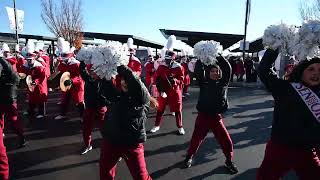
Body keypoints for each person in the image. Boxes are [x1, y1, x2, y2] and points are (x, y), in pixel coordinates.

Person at [256, 48, 320, 179]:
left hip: (307, 151)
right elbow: (264, 71)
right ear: (301, 71)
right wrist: (275, 46)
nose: (316, 73)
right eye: (311, 69)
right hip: (280, 149)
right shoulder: (285, 88)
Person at [184, 56, 238, 174]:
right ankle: (189, 157)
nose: (215, 72)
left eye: (217, 71)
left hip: (216, 118)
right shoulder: (204, 83)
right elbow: (198, 70)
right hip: (203, 117)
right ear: (208, 73)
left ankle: (229, 161)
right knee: (196, 139)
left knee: (226, 141)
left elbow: (227, 68)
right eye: (213, 71)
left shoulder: (224, 83)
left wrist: (219, 56)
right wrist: (201, 56)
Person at [99, 65, 154, 180]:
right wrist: (106, 69)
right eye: (123, 80)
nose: (124, 83)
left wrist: (119, 65)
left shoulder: (142, 98)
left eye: (127, 81)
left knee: (141, 177)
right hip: (111, 141)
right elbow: (105, 86)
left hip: (132, 144)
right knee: (105, 174)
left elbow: (135, 83)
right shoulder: (118, 95)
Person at [149, 50, 185, 135]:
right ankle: (156, 125)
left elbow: (181, 79)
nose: (167, 60)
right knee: (160, 108)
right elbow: (157, 77)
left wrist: (175, 81)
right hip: (164, 91)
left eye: (169, 58)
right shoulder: (161, 66)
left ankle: (180, 126)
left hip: (175, 91)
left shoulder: (178, 66)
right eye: (166, 58)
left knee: (178, 109)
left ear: (173, 59)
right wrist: (159, 88)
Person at [79, 61, 107, 155]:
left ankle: (112, 149)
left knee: (105, 129)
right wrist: (83, 59)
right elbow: (82, 70)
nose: (91, 72)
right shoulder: (88, 78)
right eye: (90, 71)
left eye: (94, 71)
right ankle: (87, 145)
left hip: (101, 108)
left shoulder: (104, 80)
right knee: (86, 128)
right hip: (89, 108)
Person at [54, 39, 85, 120]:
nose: (64, 60)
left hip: (77, 85)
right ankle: (62, 114)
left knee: (79, 101)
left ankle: (83, 116)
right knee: (64, 99)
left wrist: (72, 80)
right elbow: (59, 72)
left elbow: (80, 77)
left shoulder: (77, 64)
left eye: (66, 58)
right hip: (67, 84)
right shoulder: (62, 63)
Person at [0, 57, 26, 148]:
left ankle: (21, 136)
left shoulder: (3, 63)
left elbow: (15, 79)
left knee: (13, 120)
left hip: (8, 97)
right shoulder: (4, 62)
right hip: (6, 95)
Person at [21, 46, 48, 119]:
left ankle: (41, 113)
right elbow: (24, 74)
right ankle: (31, 111)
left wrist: (35, 82)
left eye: (30, 59)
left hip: (40, 85)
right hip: (30, 83)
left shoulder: (39, 66)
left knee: (40, 98)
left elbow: (42, 77)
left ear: (34, 58)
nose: (29, 61)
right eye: (28, 59)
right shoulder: (25, 65)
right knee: (31, 97)